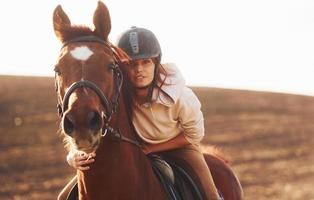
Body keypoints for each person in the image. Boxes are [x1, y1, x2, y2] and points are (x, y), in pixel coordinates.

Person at [58, 26, 220, 200]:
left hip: (179, 147)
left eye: (146, 62)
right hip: (135, 148)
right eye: (131, 64)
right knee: (63, 197)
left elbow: (194, 135)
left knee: (210, 195)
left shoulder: (182, 96)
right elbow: (93, 129)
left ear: (156, 62)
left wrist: (151, 148)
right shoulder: (118, 94)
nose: (139, 70)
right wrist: (73, 155)